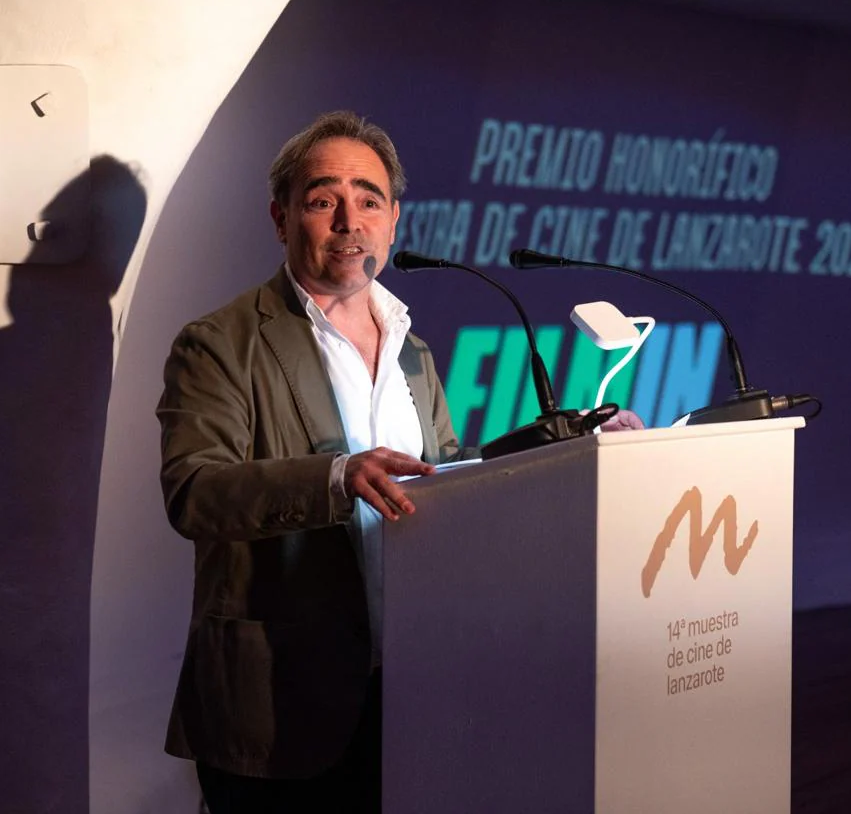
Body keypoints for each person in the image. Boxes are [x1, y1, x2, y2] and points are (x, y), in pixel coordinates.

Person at [157, 110, 643, 813]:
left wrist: (566, 449)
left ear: (393, 221)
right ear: (282, 216)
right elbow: (194, 491)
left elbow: (443, 475)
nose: (349, 220)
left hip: (410, 687)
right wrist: (338, 476)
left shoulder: (410, 346)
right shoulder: (219, 343)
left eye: (368, 200)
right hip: (278, 704)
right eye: (323, 200)